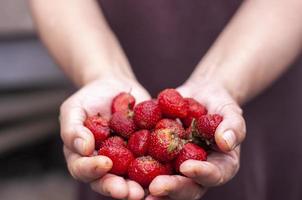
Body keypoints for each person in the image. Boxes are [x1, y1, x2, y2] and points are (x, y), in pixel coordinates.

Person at [29, 0, 302, 200]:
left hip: (260, 61)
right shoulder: (136, 132)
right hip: (99, 47)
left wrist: (222, 81)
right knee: (109, 174)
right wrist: (101, 73)